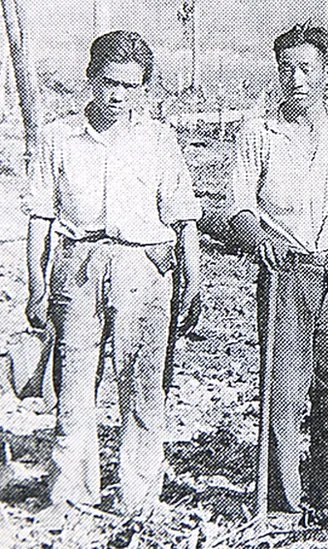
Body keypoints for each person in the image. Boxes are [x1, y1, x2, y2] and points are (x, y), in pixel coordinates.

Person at [26, 31, 201, 526]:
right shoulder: (59, 137)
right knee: (76, 384)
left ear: (143, 88)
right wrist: (37, 286)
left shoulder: (159, 139)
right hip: (77, 265)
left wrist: (190, 279)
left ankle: (138, 497)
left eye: (129, 85)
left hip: (143, 267)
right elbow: (41, 215)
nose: (117, 95)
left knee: (143, 389)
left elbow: (184, 215)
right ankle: (71, 494)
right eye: (108, 82)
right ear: (90, 80)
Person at [226, 23, 328, 540]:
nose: (296, 79)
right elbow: (239, 206)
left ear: (326, 74)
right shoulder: (258, 131)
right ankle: (282, 501)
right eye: (287, 69)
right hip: (284, 271)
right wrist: (256, 235)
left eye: (306, 69)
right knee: (283, 391)